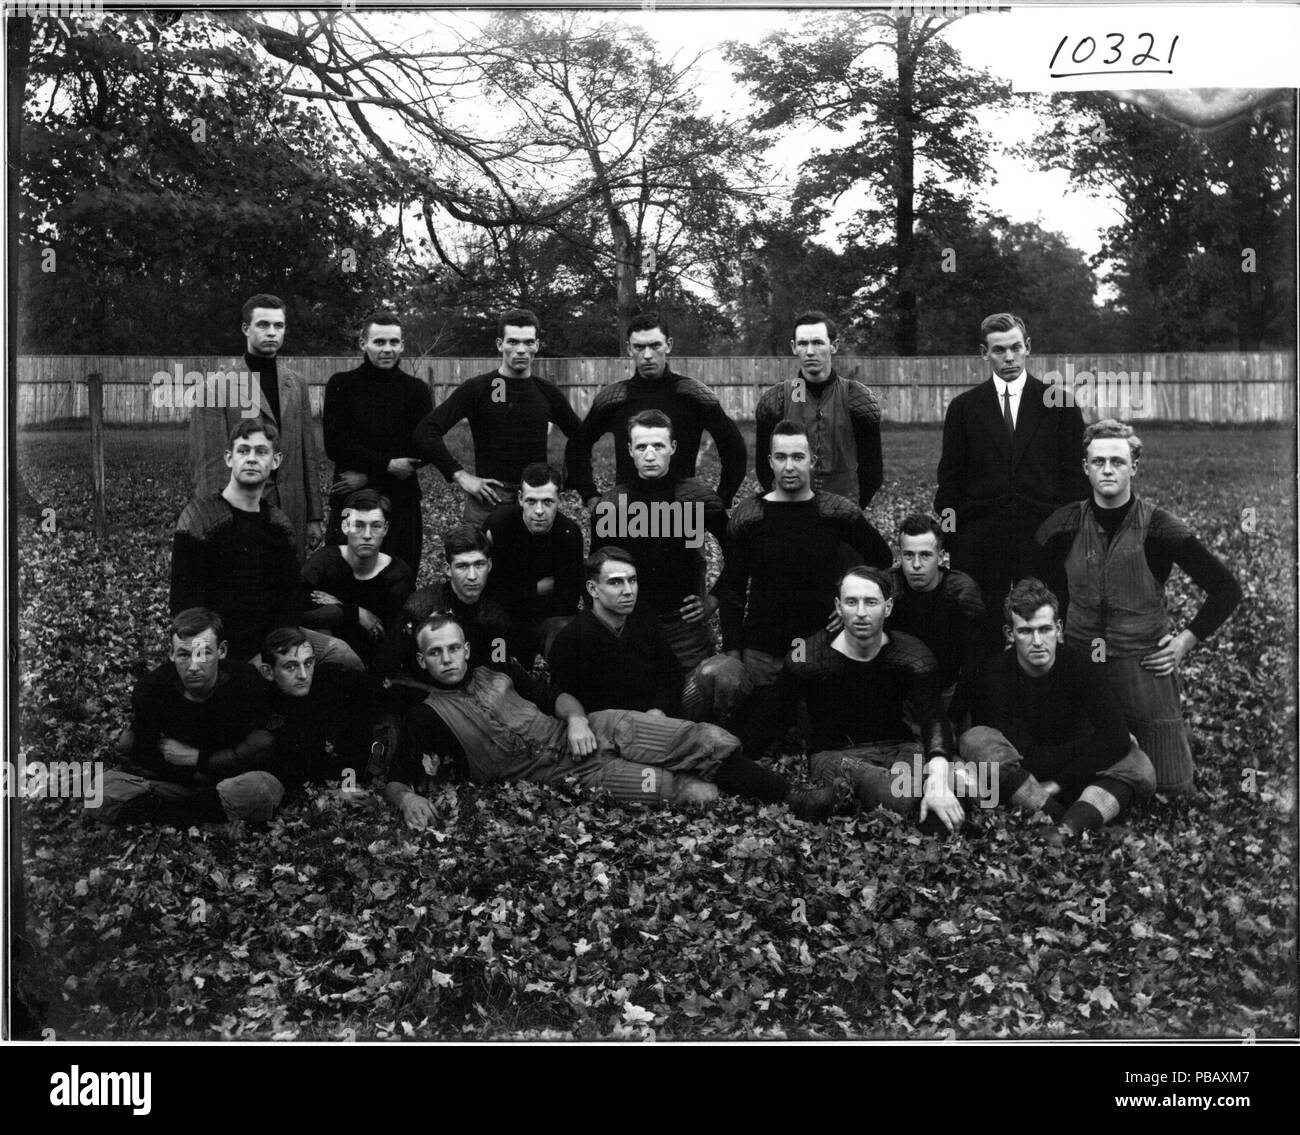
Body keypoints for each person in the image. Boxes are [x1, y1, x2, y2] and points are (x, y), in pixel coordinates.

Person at [384, 615, 834, 828]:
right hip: (564, 775)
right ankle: (739, 797)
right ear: (423, 659)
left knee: (699, 738)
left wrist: (577, 719)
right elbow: (396, 777)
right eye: (436, 652)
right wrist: (406, 801)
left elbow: (554, 695)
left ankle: (793, 797)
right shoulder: (427, 714)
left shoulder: (500, 671)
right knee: (686, 791)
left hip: (595, 728)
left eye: (453, 648)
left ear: (466, 648)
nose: (447, 659)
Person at [1036, 420, 1241, 794]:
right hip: (1082, 664)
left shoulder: (1161, 528)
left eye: (1118, 460)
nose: (1108, 469)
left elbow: (1227, 589)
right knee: (1075, 778)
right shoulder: (1062, 525)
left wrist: (1183, 643)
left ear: (1134, 466)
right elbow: (1032, 588)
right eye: (1098, 462)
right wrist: (1053, 643)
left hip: (1143, 665)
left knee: (1171, 789)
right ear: (1085, 467)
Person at [934, 312, 1089, 652]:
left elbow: (1077, 483)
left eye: (1016, 348)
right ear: (983, 352)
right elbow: (949, 481)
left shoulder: (1060, 402)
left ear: (1028, 347)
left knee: (1040, 630)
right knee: (983, 633)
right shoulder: (963, 409)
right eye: (999, 350)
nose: (1009, 357)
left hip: (1043, 539)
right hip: (981, 543)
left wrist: (1063, 534)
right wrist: (954, 539)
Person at [960, 577, 1157, 837]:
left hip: (1075, 776)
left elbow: (1117, 737)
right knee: (975, 741)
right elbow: (1021, 755)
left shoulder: (1081, 665)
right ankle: (1062, 817)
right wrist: (1098, 744)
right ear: (1010, 634)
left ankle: (1066, 829)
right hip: (1022, 779)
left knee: (1138, 764)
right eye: (1026, 631)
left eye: (1045, 629)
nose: (1038, 641)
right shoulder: (994, 674)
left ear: (1059, 629)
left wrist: (1058, 783)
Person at [783, 567, 964, 835]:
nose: (861, 612)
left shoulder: (911, 653)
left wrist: (938, 773)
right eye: (851, 602)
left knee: (971, 782)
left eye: (871, 602)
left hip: (898, 749)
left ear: (888, 607)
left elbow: (933, 718)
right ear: (838, 606)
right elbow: (770, 712)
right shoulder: (810, 655)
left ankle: (935, 798)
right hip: (838, 755)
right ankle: (926, 806)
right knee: (893, 792)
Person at [715, 420, 892, 693]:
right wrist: (732, 649)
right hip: (762, 651)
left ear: (812, 460)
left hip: (821, 647)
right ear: (770, 461)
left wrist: (849, 601)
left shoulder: (835, 511)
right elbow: (733, 588)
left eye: (798, 457)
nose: (789, 466)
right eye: (781, 457)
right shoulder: (749, 515)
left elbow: (881, 559)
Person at [170, 419, 360, 670]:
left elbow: (289, 598)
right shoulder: (200, 516)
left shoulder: (278, 523)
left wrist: (274, 650)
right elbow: (184, 604)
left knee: (341, 655)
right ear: (229, 458)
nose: (251, 458)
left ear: (276, 461)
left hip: (273, 641)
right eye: (243, 450)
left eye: (261, 452)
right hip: (219, 645)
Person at [97, 608, 281, 829]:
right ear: (172, 654)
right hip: (174, 782)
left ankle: (168, 815)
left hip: (227, 781)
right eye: (184, 655)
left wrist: (198, 758)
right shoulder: (153, 689)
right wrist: (187, 773)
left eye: (203, 653)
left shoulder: (246, 681)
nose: (194, 666)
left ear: (221, 651)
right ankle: (202, 822)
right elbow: (142, 753)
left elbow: (260, 748)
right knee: (97, 793)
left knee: (261, 790)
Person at [589, 409, 734, 674]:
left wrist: (712, 601)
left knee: (694, 697)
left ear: (673, 447)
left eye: (658, 445)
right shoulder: (610, 505)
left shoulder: (698, 500)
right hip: (629, 624)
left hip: (683, 627)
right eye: (642, 446)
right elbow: (595, 572)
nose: (650, 454)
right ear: (630, 450)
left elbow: (740, 555)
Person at [413, 308, 584, 529]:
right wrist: (461, 475)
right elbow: (426, 430)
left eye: (528, 342)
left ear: (537, 346)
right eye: (512, 342)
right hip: (489, 501)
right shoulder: (478, 389)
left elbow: (582, 436)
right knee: (480, 561)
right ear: (499, 344)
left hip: (534, 500)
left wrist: (565, 479)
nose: (521, 350)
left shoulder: (547, 392)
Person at [189, 292, 324, 562]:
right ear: (245, 329)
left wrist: (314, 516)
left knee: (287, 587)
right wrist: (217, 520)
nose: (272, 332)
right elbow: (210, 466)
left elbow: (307, 455)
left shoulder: (296, 383)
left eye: (279, 326)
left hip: (291, 511)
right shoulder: (216, 388)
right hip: (241, 511)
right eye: (263, 325)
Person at [567, 311, 748, 510]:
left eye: (655, 346)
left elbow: (734, 447)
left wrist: (723, 497)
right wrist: (590, 496)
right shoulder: (614, 398)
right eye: (639, 347)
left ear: (668, 345)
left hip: (681, 511)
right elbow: (577, 446)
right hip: (629, 511)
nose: (647, 355)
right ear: (629, 349)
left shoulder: (693, 395)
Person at [548, 548, 749, 724]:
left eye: (632, 580)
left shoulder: (643, 616)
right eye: (616, 582)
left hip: (659, 715)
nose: (628, 591)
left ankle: (720, 727)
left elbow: (671, 674)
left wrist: (659, 710)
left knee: (726, 668)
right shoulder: (571, 638)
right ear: (593, 589)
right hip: (611, 731)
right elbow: (565, 701)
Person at [322, 310, 432, 573]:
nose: (387, 349)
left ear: (402, 345)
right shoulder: (342, 384)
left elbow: (424, 448)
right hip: (352, 500)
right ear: (363, 343)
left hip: (401, 502)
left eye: (394, 342)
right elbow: (335, 444)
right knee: (344, 579)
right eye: (379, 342)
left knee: (399, 580)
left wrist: (369, 475)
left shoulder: (416, 390)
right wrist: (387, 464)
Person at [754, 310, 883, 508]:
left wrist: (853, 509)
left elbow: (872, 470)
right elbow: (764, 467)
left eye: (818, 342)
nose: (810, 351)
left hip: (842, 510)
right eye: (803, 343)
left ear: (834, 346)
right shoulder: (776, 400)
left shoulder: (856, 398)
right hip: (789, 510)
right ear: (793, 347)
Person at [301, 489, 416, 668]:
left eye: (376, 526)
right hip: (324, 660)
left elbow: (386, 635)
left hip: (373, 664)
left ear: (385, 529)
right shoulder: (324, 562)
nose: (367, 534)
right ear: (345, 526)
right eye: (358, 525)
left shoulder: (397, 575)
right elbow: (293, 608)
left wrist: (337, 609)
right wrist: (354, 613)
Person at [482, 463, 584, 664]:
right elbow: (488, 590)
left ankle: (560, 685)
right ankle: (500, 669)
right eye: (531, 501)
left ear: (559, 500)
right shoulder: (498, 526)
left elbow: (567, 601)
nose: (538, 511)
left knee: (566, 632)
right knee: (494, 650)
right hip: (502, 618)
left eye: (547, 502)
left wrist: (516, 591)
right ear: (520, 498)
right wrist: (536, 588)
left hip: (547, 620)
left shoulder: (569, 534)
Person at [256, 627, 377, 789]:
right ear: (268, 672)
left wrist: (348, 785)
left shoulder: (334, 685)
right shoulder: (260, 703)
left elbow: (355, 743)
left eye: (308, 663)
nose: (303, 675)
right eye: (291, 667)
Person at [886, 514, 986, 706]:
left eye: (925, 555)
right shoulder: (887, 587)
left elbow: (974, 661)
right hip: (902, 696)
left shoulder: (961, 592)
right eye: (909, 555)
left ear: (940, 557)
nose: (916, 565)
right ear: (900, 555)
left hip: (949, 692)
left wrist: (955, 715)